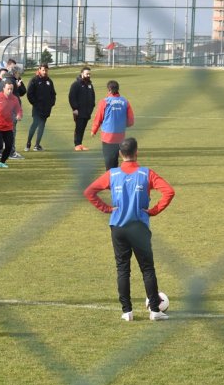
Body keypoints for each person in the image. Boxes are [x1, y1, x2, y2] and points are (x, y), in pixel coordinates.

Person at [83, 137, 175, 321]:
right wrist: (153, 211)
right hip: (140, 228)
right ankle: (155, 311)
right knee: (147, 269)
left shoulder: (113, 174)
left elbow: (89, 192)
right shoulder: (146, 173)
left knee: (122, 268)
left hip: (118, 227)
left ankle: (127, 311)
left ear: (119, 154)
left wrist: (107, 209)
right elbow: (169, 191)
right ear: (137, 152)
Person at [90, 80, 134, 170]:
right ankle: (115, 178)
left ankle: (110, 180)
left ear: (109, 89)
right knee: (116, 160)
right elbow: (131, 121)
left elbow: (98, 117)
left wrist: (93, 130)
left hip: (108, 137)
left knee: (109, 162)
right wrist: (121, 124)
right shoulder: (125, 102)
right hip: (120, 136)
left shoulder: (105, 102)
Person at [25, 63, 56, 151]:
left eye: (46, 70)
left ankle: (37, 145)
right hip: (37, 108)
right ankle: (28, 143)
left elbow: (53, 93)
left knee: (42, 126)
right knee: (34, 124)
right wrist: (34, 103)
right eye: (43, 70)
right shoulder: (34, 80)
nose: (45, 72)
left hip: (46, 108)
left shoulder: (49, 81)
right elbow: (29, 93)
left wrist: (52, 103)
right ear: (39, 70)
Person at [68, 66, 96, 151]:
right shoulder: (76, 84)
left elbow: (93, 96)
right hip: (79, 111)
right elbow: (71, 97)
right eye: (86, 73)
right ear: (82, 74)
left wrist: (92, 106)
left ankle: (80, 144)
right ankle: (77, 144)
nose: (88, 75)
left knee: (82, 128)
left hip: (87, 111)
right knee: (78, 128)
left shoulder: (90, 85)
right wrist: (75, 108)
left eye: (89, 74)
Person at [5, 60, 27, 159]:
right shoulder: (11, 82)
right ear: (15, 73)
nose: (19, 75)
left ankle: (4, 151)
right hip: (10, 111)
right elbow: (11, 97)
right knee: (11, 132)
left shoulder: (7, 79)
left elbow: (23, 91)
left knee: (7, 131)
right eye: (18, 73)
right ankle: (11, 152)